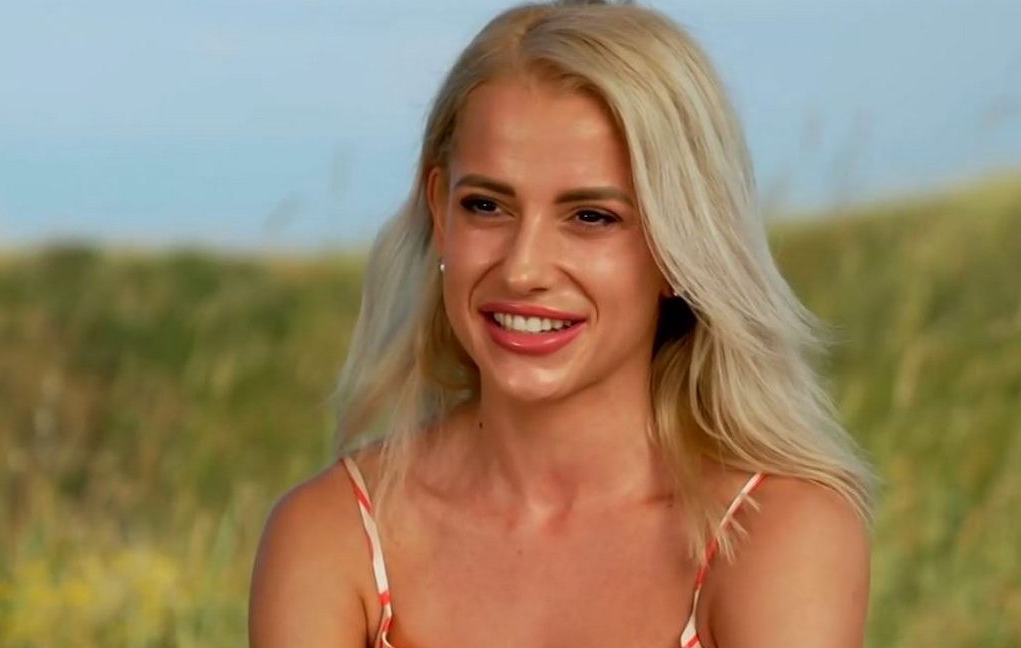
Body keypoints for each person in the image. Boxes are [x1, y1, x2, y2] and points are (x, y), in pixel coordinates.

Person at [249, 1, 877, 646]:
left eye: (591, 217)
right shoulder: (332, 536)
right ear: (440, 212)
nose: (523, 270)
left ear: (680, 248)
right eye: (486, 206)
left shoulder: (779, 533)